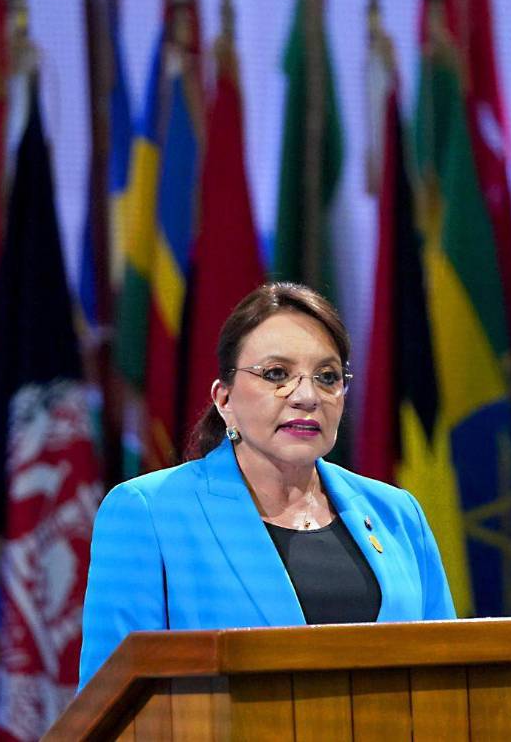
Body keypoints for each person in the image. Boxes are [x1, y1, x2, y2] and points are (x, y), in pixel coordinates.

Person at [78, 282, 455, 689]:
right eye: (277, 374)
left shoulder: (396, 514)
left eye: (327, 377)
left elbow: (450, 678)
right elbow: (112, 699)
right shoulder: (149, 513)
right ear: (224, 400)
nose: (307, 396)